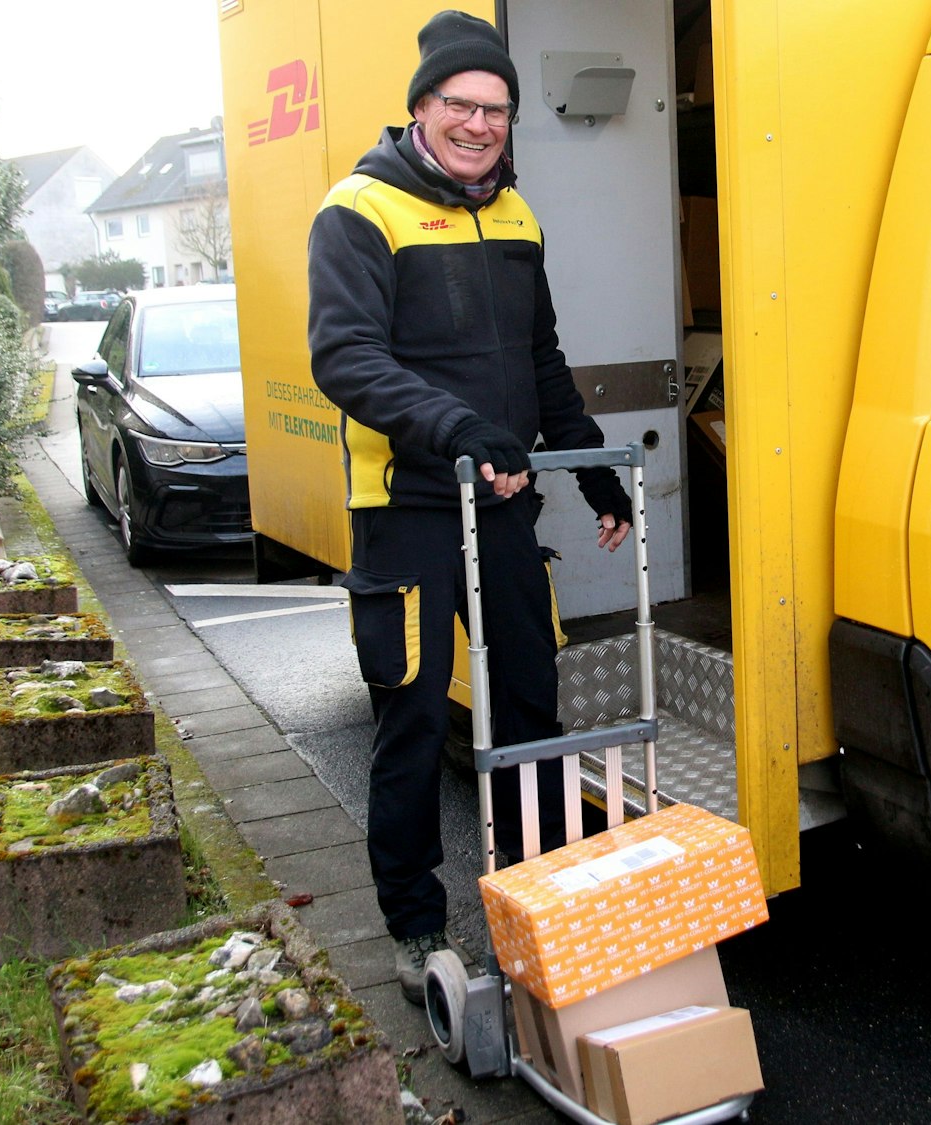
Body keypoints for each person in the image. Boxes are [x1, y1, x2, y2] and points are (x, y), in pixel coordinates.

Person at [306, 9, 633, 1005]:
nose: (479, 125)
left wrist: (586, 466)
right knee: (410, 722)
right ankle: (413, 928)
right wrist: (455, 429)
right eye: (460, 105)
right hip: (405, 512)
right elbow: (346, 360)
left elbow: (539, 363)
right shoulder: (359, 213)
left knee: (531, 704)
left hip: (501, 508)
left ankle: (533, 898)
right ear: (421, 108)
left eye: (496, 110)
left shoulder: (517, 217)